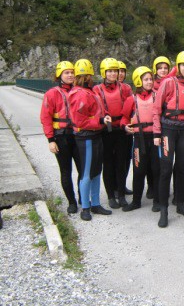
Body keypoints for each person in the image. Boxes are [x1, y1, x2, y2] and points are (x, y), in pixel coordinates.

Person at [153, 51, 184, 228]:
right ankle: (163, 209)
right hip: (168, 129)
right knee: (166, 168)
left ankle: (180, 204)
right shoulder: (168, 83)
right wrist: (157, 133)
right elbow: (156, 109)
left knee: (181, 167)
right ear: (178, 67)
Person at [69, 59, 112, 221]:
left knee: (96, 171)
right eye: (89, 76)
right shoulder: (79, 94)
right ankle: (85, 207)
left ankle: (95, 204)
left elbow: (96, 111)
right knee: (87, 173)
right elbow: (81, 121)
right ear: (86, 76)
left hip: (95, 136)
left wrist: (103, 116)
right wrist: (100, 121)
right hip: (86, 137)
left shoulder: (89, 92)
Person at [40, 61, 81, 214]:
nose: (70, 75)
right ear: (59, 75)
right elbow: (45, 117)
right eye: (66, 73)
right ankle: (72, 202)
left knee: (82, 170)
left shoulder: (79, 91)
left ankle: (82, 197)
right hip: (61, 137)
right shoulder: (52, 94)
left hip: (78, 135)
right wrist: (50, 140)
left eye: (72, 72)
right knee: (66, 171)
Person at [93, 58, 132, 209]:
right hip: (106, 130)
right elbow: (97, 109)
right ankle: (111, 196)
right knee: (108, 164)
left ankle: (121, 195)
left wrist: (125, 123)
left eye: (115, 71)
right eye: (109, 71)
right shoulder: (97, 89)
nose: (113, 74)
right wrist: (103, 118)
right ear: (104, 72)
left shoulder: (125, 88)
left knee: (121, 163)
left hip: (121, 130)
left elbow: (129, 107)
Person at [121, 66, 160, 213]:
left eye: (151, 79)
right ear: (139, 81)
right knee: (138, 171)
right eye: (146, 79)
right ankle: (136, 201)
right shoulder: (132, 99)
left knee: (156, 169)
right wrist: (125, 126)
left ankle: (157, 200)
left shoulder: (157, 96)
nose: (150, 82)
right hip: (139, 138)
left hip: (155, 137)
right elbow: (124, 118)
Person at [145, 56, 171, 202]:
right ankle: (151, 186)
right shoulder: (150, 84)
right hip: (150, 126)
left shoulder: (171, 83)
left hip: (164, 126)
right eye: (160, 67)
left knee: (161, 161)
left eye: (165, 68)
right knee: (151, 162)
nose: (163, 70)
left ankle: (162, 188)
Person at [117, 60, 133, 195]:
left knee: (127, 158)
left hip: (126, 127)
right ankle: (115, 187)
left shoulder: (127, 88)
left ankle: (122, 185)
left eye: (122, 71)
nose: (120, 74)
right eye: (118, 71)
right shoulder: (103, 89)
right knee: (115, 160)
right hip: (112, 128)